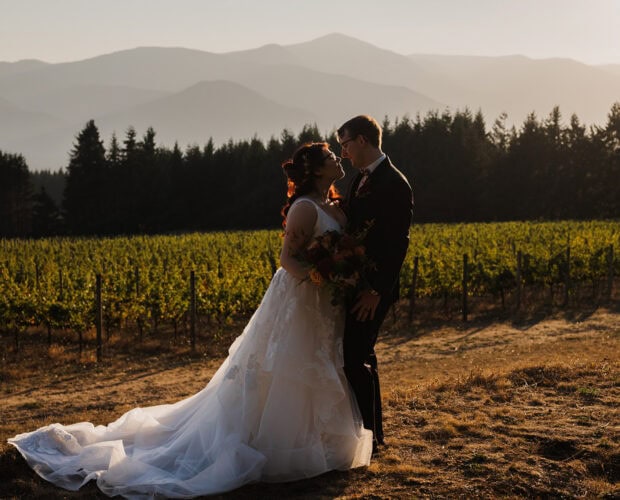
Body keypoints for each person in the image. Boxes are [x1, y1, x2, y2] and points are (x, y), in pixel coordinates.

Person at [8, 142, 373, 499]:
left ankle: (318, 442)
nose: (337, 158)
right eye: (329, 156)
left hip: (325, 304)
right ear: (313, 170)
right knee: (290, 367)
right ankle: (282, 446)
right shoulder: (305, 209)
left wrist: (342, 271)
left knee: (320, 363)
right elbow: (287, 260)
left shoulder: (336, 207)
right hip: (300, 299)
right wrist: (321, 276)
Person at [337, 115, 413, 453]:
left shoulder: (395, 184)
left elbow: (398, 244)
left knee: (353, 358)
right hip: (356, 284)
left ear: (364, 140)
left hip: (375, 289)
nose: (344, 152)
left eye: (346, 144)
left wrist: (375, 291)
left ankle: (368, 437)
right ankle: (374, 436)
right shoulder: (358, 181)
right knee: (363, 354)